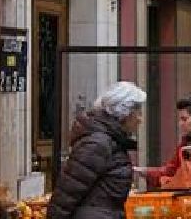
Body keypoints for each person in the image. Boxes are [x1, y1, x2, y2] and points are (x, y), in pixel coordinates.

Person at [49, 82, 147, 219]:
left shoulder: (111, 141)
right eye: (137, 113)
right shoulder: (98, 143)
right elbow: (68, 191)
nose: (140, 119)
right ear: (125, 114)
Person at [143, 99, 191, 188]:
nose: (180, 124)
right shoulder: (186, 142)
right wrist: (146, 172)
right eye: (180, 120)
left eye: (184, 119)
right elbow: (171, 170)